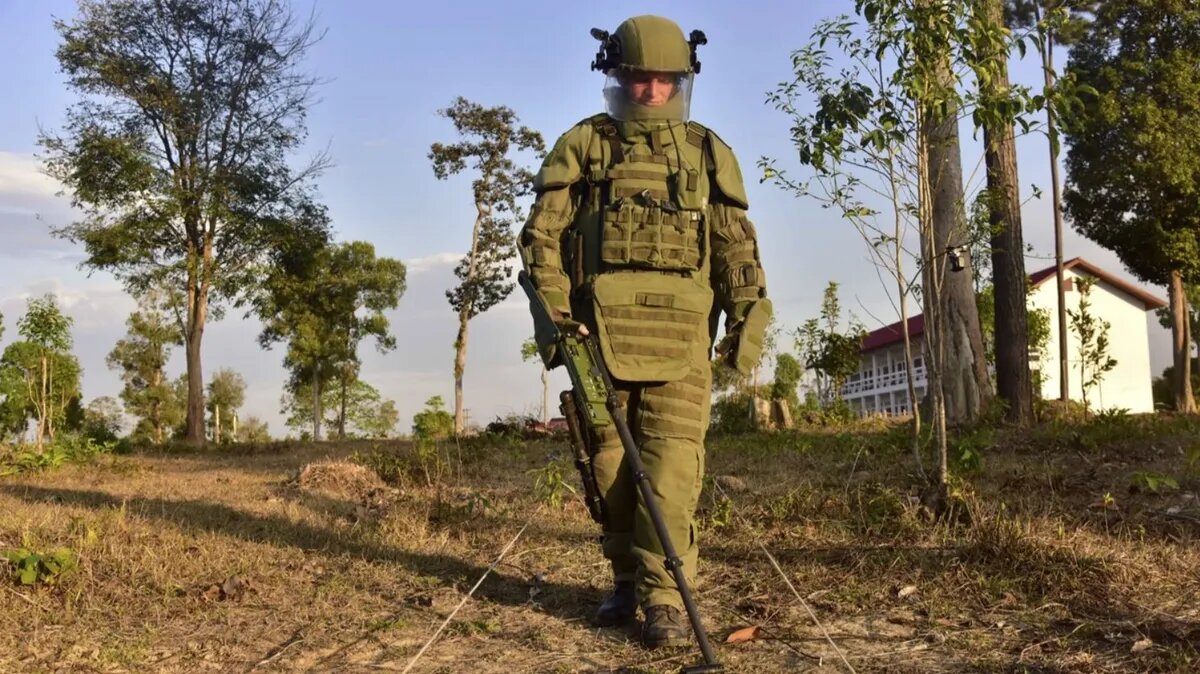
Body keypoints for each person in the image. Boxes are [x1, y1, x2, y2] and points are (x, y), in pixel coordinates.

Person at [518, 14, 771, 648]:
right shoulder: (584, 146)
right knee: (607, 466)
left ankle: (664, 598)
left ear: (682, 80)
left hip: (683, 340)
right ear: (617, 77)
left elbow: (736, 246)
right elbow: (541, 240)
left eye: (665, 80)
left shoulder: (708, 150)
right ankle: (627, 579)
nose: (653, 92)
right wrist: (557, 322)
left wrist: (746, 323)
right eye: (640, 78)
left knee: (672, 471)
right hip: (596, 338)